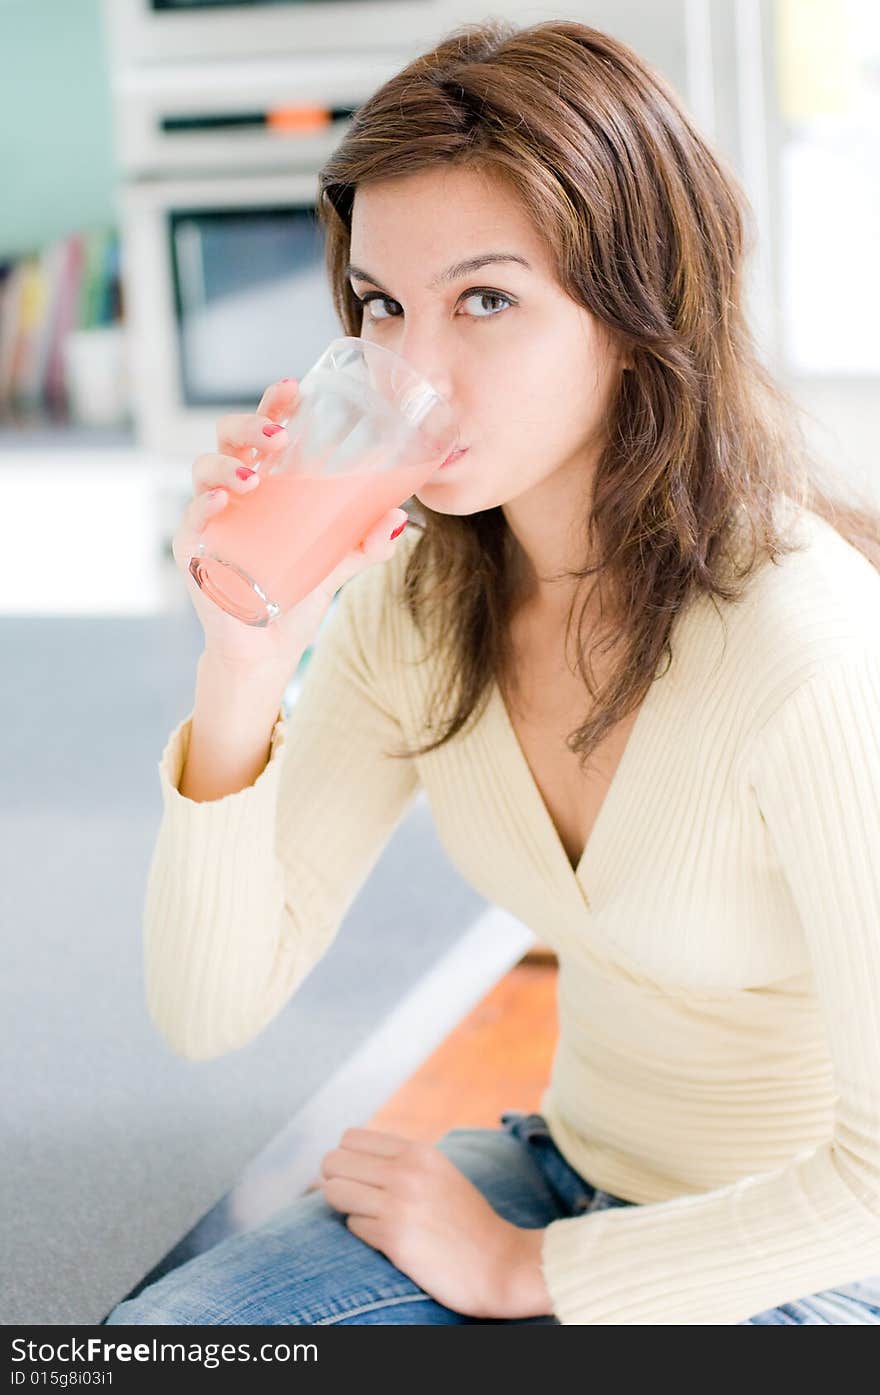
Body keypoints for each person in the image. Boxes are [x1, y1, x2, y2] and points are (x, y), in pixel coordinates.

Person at [104, 18, 880, 1325]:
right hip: (560, 1176)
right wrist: (244, 656)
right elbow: (207, 1007)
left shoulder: (807, 651)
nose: (414, 371)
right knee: (147, 1352)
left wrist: (525, 1274)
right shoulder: (417, 605)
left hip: (808, 1259)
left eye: (486, 300)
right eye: (381, 307)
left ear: (638, 314)